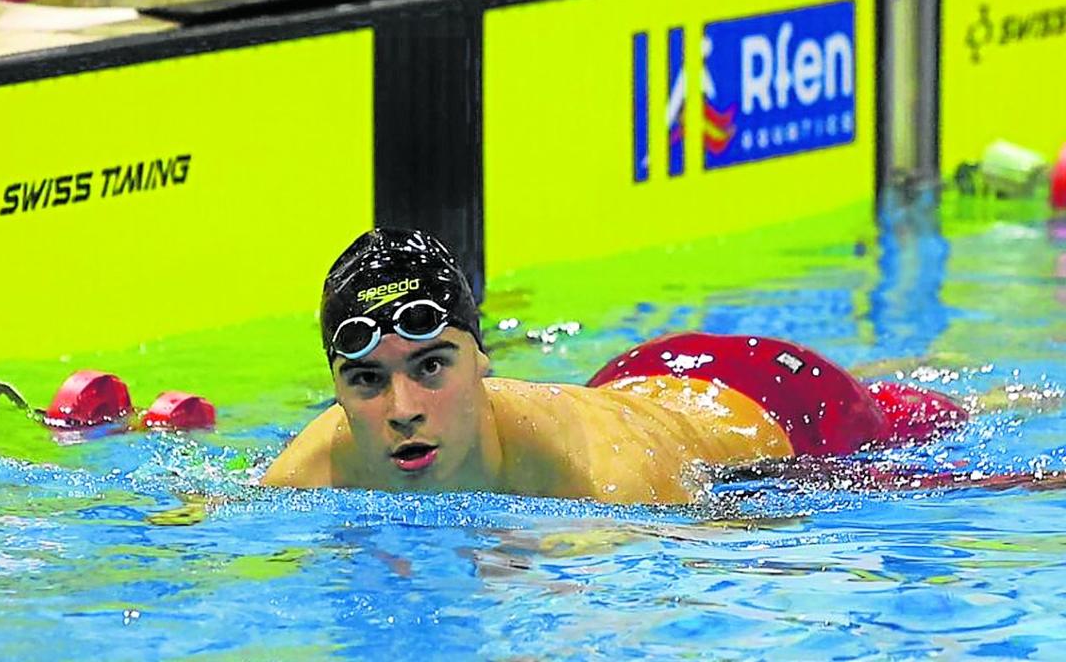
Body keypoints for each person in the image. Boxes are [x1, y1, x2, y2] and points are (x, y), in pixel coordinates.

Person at [262, 228, 974, 504]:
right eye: (367, 380)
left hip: (780, 404)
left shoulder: (607, 490)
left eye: (430, 366)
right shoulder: (320, 460)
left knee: (928, 425)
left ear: (482, 360)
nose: (402, 407)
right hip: (633, 379)